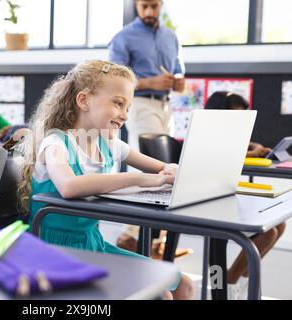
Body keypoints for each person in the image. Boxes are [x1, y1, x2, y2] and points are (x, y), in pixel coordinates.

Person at [18, 60, 194, 299]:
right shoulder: (55, 143)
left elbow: (163, 167)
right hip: (52, 250)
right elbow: (69, 187)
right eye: (118, 103)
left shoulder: (110, 145)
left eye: (128, 108)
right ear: (84, 100)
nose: (124, 115)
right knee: (160, 293)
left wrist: (173, 170)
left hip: (93, 245)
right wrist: (140, 179)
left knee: (182, 283)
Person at [109, 0, 186, 252]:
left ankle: (155, 238)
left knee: (167, 165)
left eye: (154, 6)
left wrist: (178, 82)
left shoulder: (171, 37)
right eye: (145, 6)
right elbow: (114, 81)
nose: (150, 12)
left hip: (166, 105)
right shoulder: (123, 37)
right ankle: (130, 234)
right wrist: (151, 80)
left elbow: (179, 74)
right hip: (139, 104)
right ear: (136, 5)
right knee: (149, 161)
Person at [206, 91, 286, 299]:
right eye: (234, 116)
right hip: (207, 202)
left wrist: (256, 149)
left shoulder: (233, 135)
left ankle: (240, 283)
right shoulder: (206, 134)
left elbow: (244, 148)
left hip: (227, 197)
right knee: (267, 232)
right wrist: (252, 153)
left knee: (278, 226)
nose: (239, 121)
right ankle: (228, 284)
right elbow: (224, 156)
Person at [205, 91, 272, 157]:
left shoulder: (230, 133)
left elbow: (248, 144)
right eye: (237, 116)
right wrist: (254, 153)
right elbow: (222, 156)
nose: (241, 120)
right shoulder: (206, 136)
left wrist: (258, 148)